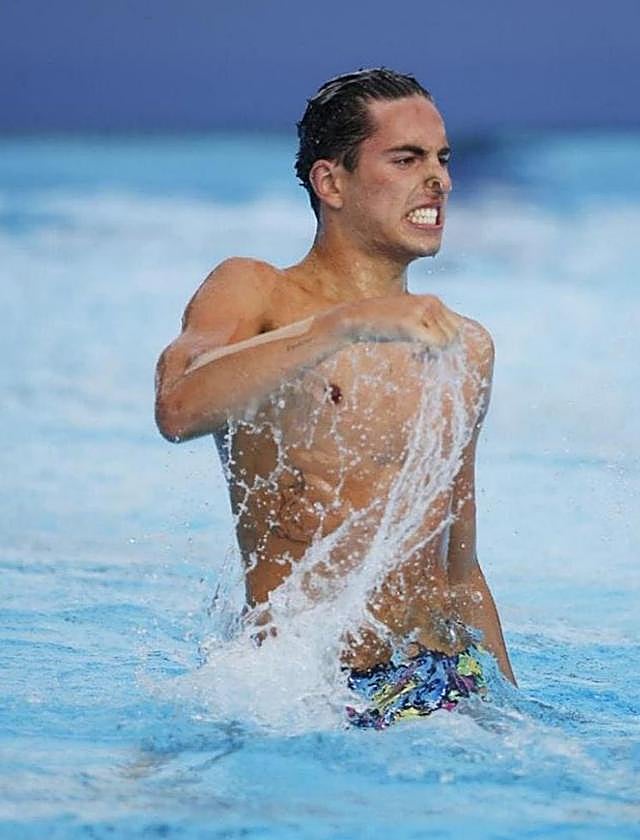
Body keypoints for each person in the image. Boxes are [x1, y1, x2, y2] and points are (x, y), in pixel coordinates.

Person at [154, 68, 515, 727]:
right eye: (406, 159)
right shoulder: (256, 292)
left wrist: (512, 711)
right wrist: (344, 324)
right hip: (310, 691)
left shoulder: (464, 346)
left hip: (442, 680)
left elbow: (460, 571)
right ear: (331, 182)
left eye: (442, 159)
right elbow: (178, 407)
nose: (438, 179)